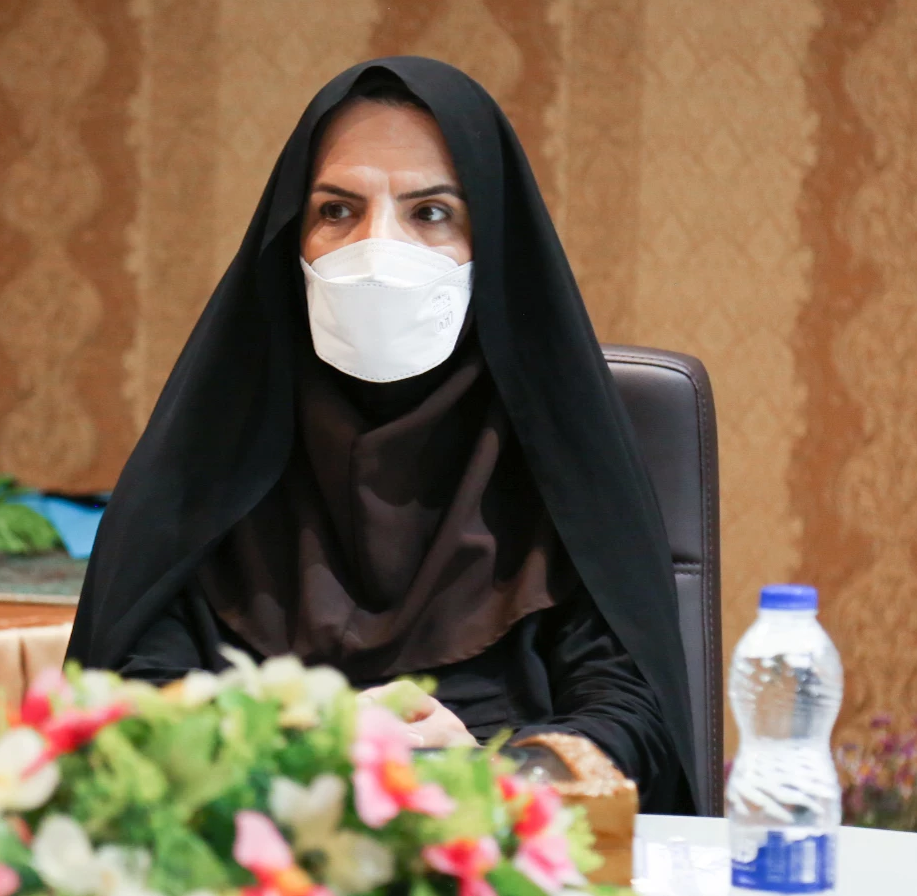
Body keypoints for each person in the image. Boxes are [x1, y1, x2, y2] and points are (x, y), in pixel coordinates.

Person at [67, 57, 698, 815]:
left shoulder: (558, 448)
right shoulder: (215, 446)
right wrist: (297, 752)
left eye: (430, 213)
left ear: (491, 241)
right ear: (290, 237)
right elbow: (128, 705)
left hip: (506, 846)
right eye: (337, 210)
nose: (377, 251)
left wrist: (485, 774)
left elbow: (634, 721)